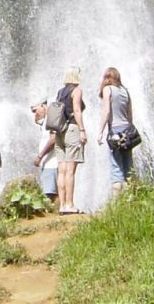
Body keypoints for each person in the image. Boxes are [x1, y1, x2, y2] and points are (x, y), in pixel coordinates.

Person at [96, 67, 134, 196]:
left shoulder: (108, 90)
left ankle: (117, 202)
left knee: (116, 164)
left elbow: (106, 111)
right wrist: (130, 130)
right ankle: (130, 199)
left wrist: (100, 132)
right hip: (127, 129)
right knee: (128, 165)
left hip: (115, 130)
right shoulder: (125, 91)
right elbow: (130, 114)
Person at [54, 66, 87, 215]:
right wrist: (82, 130)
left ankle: (62, 205)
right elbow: (77, 110)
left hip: (59, 132)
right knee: (70, 171)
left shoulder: (60, 92)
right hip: (71, 129)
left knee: (61, 171)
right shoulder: (76, 90)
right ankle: (70, 204)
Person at [30, 98, 59, 208]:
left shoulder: (50, 120)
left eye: (35, 110)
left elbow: (52, 139)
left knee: (51, 193)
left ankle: (58, 216)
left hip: (51, 162)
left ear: (43, 106)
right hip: (48, 163)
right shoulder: (47, 120)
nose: (34, 114)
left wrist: (40, 156)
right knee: (52, 192)